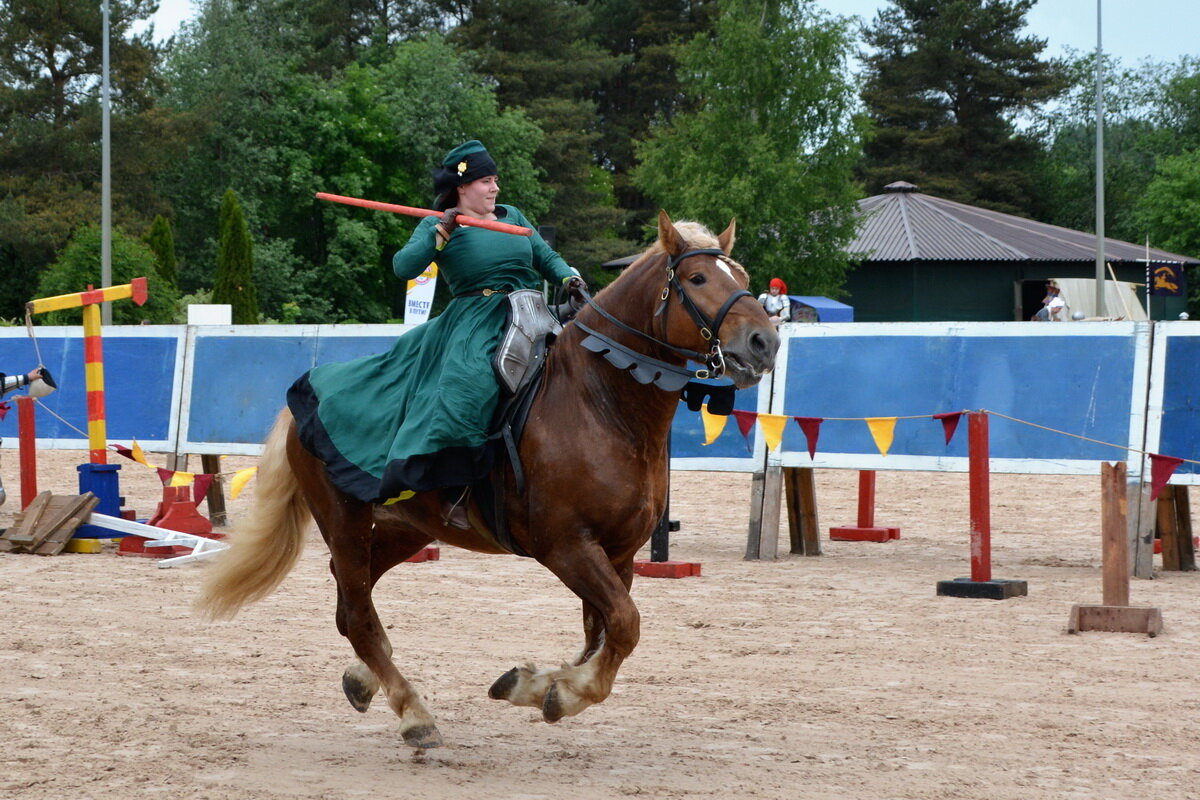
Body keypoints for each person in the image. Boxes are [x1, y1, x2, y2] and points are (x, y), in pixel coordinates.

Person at [288, 140, 583, 528]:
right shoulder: (437, 224)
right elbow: (403, 267)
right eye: (486, 181)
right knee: (470, 385)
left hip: (531, 312)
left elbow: (546, 257)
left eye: (495, 180)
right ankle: (455, 489)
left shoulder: (514, 216)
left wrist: (569, 276)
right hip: (476, 320)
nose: (495, 188)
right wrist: (439, 235)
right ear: (463, 188)